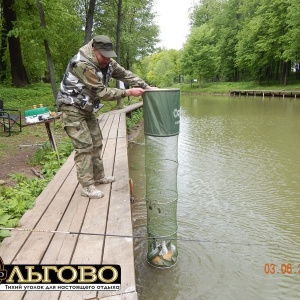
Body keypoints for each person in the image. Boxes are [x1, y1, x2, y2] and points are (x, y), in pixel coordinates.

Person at [56, 35, 155, 199]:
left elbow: (125, 74)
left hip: (87, 107)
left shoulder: (107, 60)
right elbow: (101, 92)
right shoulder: (82, 64)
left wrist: (146, 87)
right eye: (104, 56)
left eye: (109, 56)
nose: (107, 60)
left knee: (96, 141)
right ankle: (87, 186)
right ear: (94, 50)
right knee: (84, 146)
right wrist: (127, 92)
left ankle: (99, 177)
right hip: (71, 107)